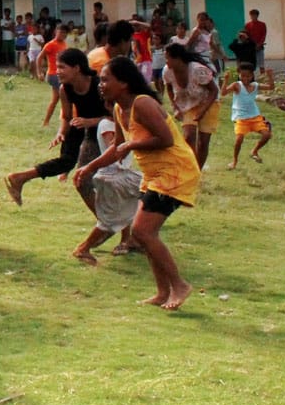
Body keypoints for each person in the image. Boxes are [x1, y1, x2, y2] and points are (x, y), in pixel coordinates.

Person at [75, 57, 200, 311]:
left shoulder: (143, 103)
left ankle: (179, 285)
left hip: (175, 172)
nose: (101, 85)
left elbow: (164, 139)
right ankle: (163, 291)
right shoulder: (121, 109)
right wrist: (88, 168)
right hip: (155, 175)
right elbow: (116, 149)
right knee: (144, 234)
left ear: (124, 82)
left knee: (142, 232)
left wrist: (131, 144)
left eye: (105, 79)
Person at [5, 48, 105, 211]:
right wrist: (61, 133)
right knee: (66, 161)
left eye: (62, 67)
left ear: (77, 68)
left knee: (93, 176)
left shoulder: (99, 85)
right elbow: (66, 117)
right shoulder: (65, 89)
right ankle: (20, 178)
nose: (56, 72)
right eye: (57, 67)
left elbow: (115, 116)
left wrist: (91, 121)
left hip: (104, 128)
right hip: (80, 124)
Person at [70, 116, 140, 263]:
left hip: (123, 174)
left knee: (130, 206)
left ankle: (129, 240)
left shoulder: (122, 125)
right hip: (113, 176)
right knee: (110, 219)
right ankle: (83, 248)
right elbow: (115, 151)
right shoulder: (107, 124)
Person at [162, 42, 220, 169]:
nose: (165, 61)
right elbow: (169, 89)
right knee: (188, 137)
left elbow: (214, 91)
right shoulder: (167, 71)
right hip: (189, 104)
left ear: (177, 59)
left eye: (167, 58)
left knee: (203, 142)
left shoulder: (197, 70)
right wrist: (175, 106)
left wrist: (203, 110)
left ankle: (197, 171)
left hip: (208, 103)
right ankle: (190, 169)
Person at [223, 61, 273, 168]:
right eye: (243, 75)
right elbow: (223, 93)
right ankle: (234, 161)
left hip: (255, 116)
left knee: (267, 135)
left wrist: (270, 76)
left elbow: (270, 87)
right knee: (239, 139)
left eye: (248, 76)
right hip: (241, 118)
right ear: (239, 75)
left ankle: (254, 151)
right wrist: (226, 80)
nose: (245, 78)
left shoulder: (255, 86)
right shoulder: (237, 85)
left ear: (252, 76)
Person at [38, 25, 69, 126]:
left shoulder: (64, 44)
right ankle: (51, 121)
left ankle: (48, 122)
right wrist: (39, 72)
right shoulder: (50, 44)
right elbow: (39, 58)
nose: (62, 34)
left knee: (57, 99)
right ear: (56, 31)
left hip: (61, 74)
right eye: (60, 32)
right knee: (62, 98)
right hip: (53, 74)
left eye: (64, 33)